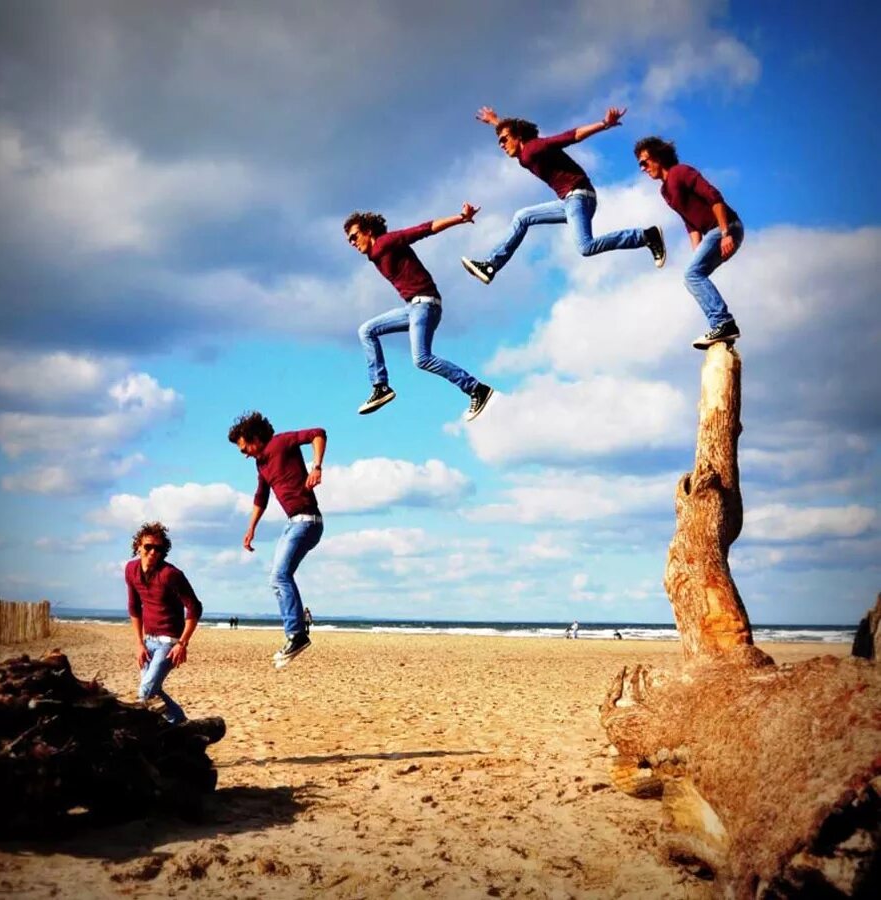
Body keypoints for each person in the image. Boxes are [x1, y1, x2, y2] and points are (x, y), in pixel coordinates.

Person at [461, 106, 665, 285]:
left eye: (504, 140)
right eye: (499, 142)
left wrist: (604, 124)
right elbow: (511, 129)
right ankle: (491, 266)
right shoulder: (524, 151)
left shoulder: (534, 148)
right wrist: (495, 121)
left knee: (585, 247)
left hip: (579, 196)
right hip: (569, 201)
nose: (501, 145)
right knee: (522, 217)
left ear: (519, 137)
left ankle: (646, 236)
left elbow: (570, 136)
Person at [345, 205, 493, 420]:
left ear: (368, 232)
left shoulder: (387, 241)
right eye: (349, 240)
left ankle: (476, 388)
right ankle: (381, 387)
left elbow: (424, 229)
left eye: (354, 236)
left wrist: (461, 218)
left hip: (425, 305)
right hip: (413, 308)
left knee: (421, 358)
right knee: (367, 330)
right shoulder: (375, 254)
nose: (352, 242)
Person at [229, 410, 325, 669]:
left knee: (279, 576)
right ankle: (295, 634)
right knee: (278, 577)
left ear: (256, 437)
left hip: (307, 521)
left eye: (244, 447)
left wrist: (316, 466)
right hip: (293, 523)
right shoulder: (261, 463)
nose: (245, 453)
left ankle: (296, 635)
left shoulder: (281, 442)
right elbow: (261, 497)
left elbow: (318, 433)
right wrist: (251, 528)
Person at [634, 136, 743, 349]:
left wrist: (725, 233)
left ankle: (723, 322)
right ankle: (722, 330)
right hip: (712, 233)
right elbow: (690, 223)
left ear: (658, 157)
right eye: (640, 165)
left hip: (726, 227)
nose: (643, 168)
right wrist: (697, 252)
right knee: (693, 274)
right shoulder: (665, 191)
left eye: (644, 162)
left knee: (692, 275)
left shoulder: (681, 172)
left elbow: (714, 197)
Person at [126, 521, 202, 724]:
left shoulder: (171, 575)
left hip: (169, 643)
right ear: (138, 547)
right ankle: (180, 722)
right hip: (148, 641)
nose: (152, 552)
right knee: (153, 690)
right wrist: (139, 644)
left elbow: (195, 608)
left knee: (145, 692)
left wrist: (182, 643)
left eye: (158, 548)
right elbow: (134, 607)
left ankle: (141, 732)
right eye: (148, 547)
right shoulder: (131, 570)